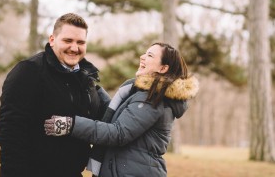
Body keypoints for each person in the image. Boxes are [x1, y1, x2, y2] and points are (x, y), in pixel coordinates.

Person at [44, 42, 199, 177]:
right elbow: (118, 115)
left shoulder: (154, 99)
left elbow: (118, 133)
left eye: (150, 56)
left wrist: (71, 125)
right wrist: (93, 88)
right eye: (145, 53)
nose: (142, 57)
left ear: (163, 68)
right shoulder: (143, 93)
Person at [0, 13, 110, 177]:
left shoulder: (86, 78)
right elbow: (11, 133)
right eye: (68, 40)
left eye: (80, 42)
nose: (74, 47)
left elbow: (100, 122)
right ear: (52, 40)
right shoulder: (29, 71)